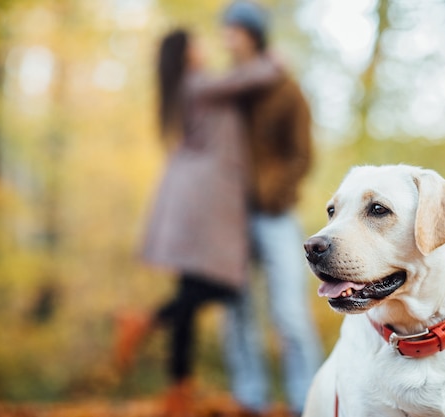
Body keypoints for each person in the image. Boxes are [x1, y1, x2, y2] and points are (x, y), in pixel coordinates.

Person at [114, 29, 281, 416]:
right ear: (186, 54)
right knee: (223, 285)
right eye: (198, 44)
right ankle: (149, 327)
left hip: (194, 194)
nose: (203, 49)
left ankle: (176, 389)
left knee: (193, 290)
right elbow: (248, 78)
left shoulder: (185, 87)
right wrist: (272, 61)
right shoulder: (199, 83)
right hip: (204, 197)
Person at [220, 2, 322, 416]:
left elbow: (303, 154)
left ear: (253, 35)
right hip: (229, 216)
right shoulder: (227, 90)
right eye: (225, 31)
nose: (227, 38)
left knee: (289, 312)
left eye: (235, 31)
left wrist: (273, 194)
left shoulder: (286, 88)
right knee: (237, 312)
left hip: (276, 215)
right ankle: (251, 397)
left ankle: (306, 399)